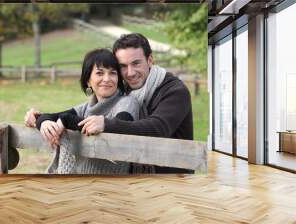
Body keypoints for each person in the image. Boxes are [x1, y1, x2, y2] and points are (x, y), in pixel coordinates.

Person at [25, 33, 193, 174]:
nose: (130, 73)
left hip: (172, 177)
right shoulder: (126, 89)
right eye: (122, 66)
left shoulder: (175, 91)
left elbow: (157, 128)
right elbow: (64, 114)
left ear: (150, 60)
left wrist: (105, 123)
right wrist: (40, 119)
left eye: (136, 63)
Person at [34, 48, 140, 174]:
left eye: (112, 73)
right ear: (88, 80)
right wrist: (43, 121)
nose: (107, 79)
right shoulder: (86, 107)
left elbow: (119, 127)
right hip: (81, 183)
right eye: (100, 73)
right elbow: (51, 117)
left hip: (112, 186)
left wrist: (68, 120)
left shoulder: (127, 103)